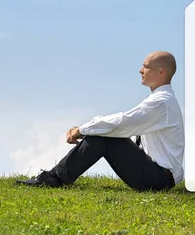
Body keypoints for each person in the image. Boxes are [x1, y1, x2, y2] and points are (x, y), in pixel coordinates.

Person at [16, 51, 184, 192]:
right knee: (103, 132)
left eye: (146, 67)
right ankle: (55, 177)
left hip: (159, 179)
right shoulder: (162, 100)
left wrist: (82, 129)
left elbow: (122, 122)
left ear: (161, 71)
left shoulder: (161, 102)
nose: (141, 70)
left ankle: (54, 179)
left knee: (101, 136)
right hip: (159, 177)